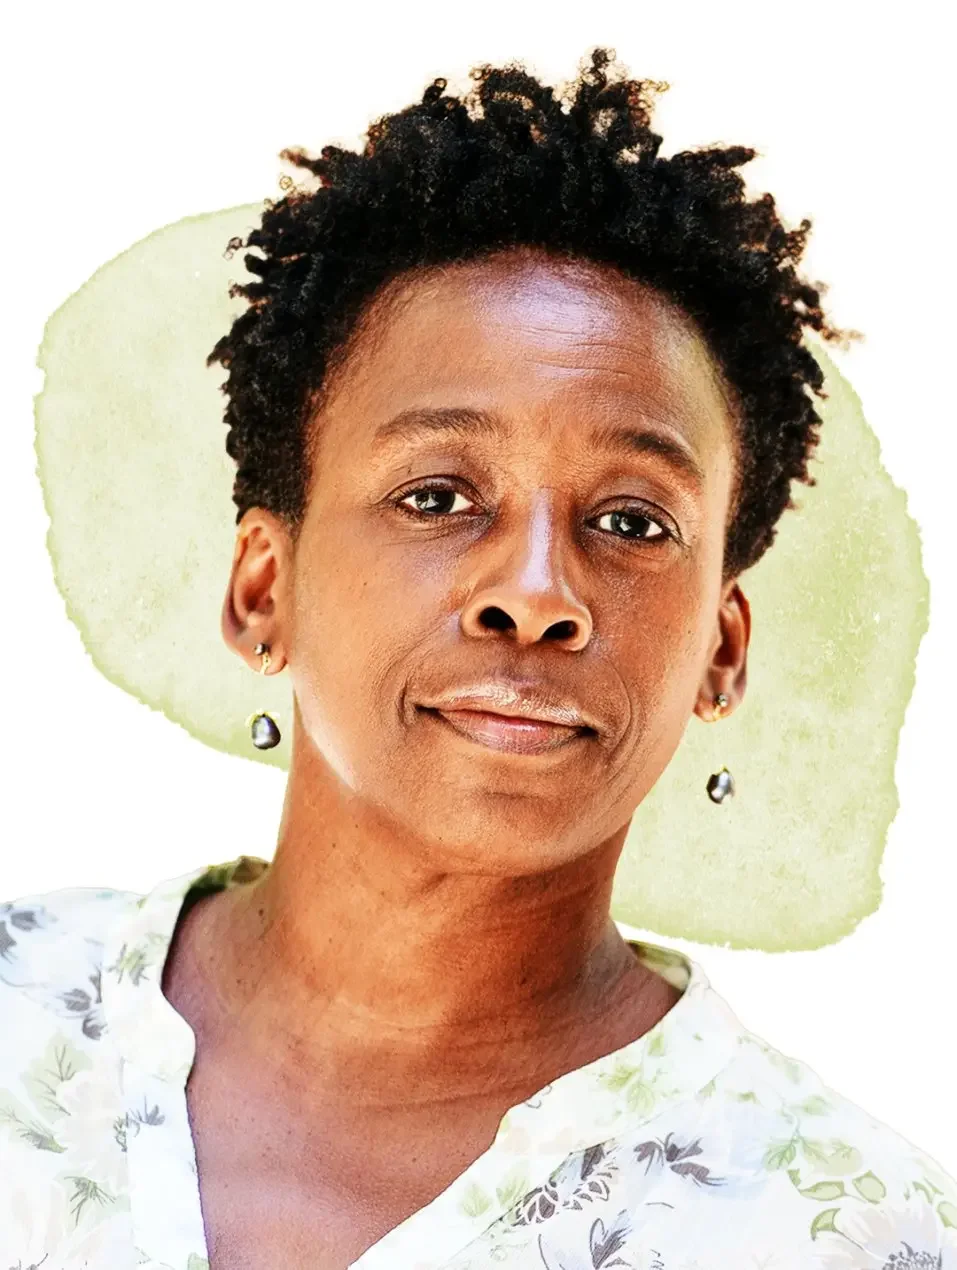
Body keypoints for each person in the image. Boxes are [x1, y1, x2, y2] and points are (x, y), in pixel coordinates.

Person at [2, 46, 954, 1270]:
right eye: (439, 494)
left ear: (722, 649)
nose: (537, 594)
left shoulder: (856, 1232)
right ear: (263, 590)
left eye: (631, 522)